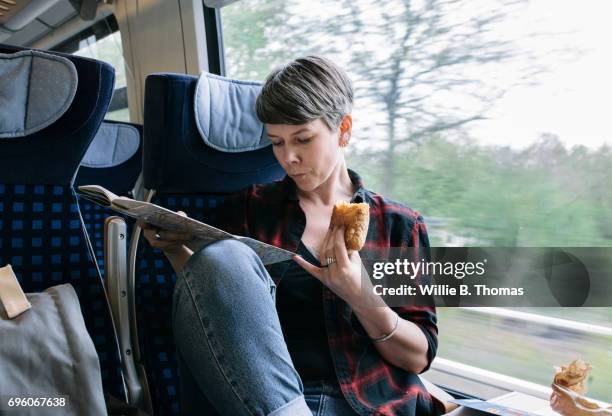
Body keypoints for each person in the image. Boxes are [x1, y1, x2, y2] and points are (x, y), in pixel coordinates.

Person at [140, 56, 441, 416]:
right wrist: (177, 250)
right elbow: (218, 316)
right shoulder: (249, 211)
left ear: (343, 130)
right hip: (280, 400)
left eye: (303, 139)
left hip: (379, 406)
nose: (289, 158)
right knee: (224, 258)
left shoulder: (400, 225)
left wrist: (360, 296)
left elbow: (419, 357)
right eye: (276, 142)